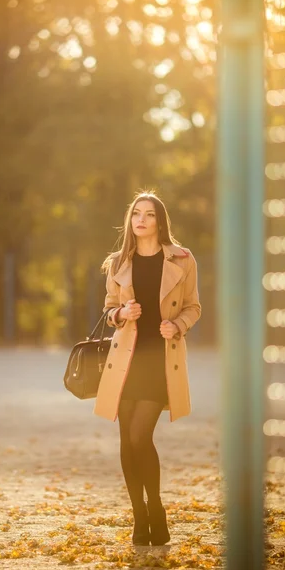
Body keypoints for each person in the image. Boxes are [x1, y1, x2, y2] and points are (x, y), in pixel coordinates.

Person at [94, 191, 201, 546]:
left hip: (160, 359)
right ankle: (139, 519)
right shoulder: (118, 262)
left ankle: (155, 507)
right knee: (127, 440)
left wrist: (179, 325)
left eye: (149, 214)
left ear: (160, 221)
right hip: (125, 359)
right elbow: (109, 310)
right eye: (136, 213)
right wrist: (121, 314)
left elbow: (193, 307)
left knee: (141, 436)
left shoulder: (183, 259)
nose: (140, 219)